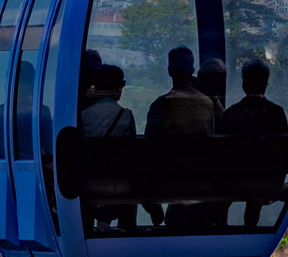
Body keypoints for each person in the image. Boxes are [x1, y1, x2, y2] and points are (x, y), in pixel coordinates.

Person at [145, 46, 217, 229]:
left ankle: (157, 210)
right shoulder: (207, 103)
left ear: (169, 71)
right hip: (202, 178)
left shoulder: (160, 104)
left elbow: (149, 146)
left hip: (169, 179)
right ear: (192, 71)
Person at [222, 58, 288, 227]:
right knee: (256, 193)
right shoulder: (276, 112)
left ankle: (222, 228)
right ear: (266, 84)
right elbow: (284, 150)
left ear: (244, 84)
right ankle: (250, 228)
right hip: (267, 183)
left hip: (235, 181)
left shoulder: (231, 113)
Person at [80, 64, 136, 231]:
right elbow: (132, 152)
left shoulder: (83, 115)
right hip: (118, 185)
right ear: (120, 86)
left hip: (88, 183)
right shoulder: (126, 116)